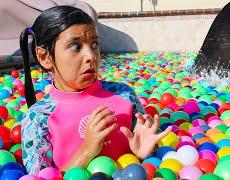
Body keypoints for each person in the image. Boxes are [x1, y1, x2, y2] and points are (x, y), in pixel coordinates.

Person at [20, 5, 172, 175]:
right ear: (44, 57)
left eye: (94, 44)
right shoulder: (38, 119)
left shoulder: (123, 94)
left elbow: (151, 155)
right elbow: (41, 177)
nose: (91, 56)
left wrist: (146, 154)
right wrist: (87, 150)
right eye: (76, 47)